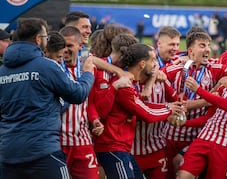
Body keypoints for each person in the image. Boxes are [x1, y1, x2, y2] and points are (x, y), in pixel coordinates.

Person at [0, 17, 94, 179]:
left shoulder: (2, 71)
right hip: (43, 153)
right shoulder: (46, 66)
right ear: (38, 39)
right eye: (45, 37)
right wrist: (87, 75)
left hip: (8, 154)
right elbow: (77, 94)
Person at [94, 43, 185, 179]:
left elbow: (143, 106)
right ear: (142, 64)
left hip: (122, 148)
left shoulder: (130, 82)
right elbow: (146, 114)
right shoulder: (124, 86)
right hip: (112, 147)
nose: (156, 64)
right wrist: (168, 109)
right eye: (153, 60)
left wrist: (167, 107)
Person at [177, 45, 227, 179]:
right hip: (204, 138)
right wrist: (184, 123)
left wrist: (198, 90)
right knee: (183, 176)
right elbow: (210, 117)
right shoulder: (226, 84)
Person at [163, 31, 227, 178]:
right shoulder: (173, 69)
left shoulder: (215, 69)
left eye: (208, 45)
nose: (207, 49)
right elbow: (174, 102)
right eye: (202, 45)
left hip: (196, 135)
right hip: (171, 135)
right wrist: (207, 100)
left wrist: (226, 78)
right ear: (190, 50)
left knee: (184, 168)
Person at [59, 26, 104, 179]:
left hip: (82, 141)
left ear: (80, 46)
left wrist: (95, 120)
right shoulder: (52, 69)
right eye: (62, 45)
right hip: (57, 142)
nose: (65, 49)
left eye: (69, 45)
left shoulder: (88, 69)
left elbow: (89, 102)